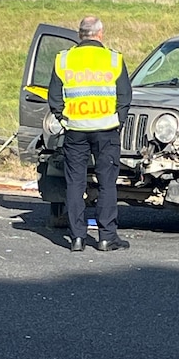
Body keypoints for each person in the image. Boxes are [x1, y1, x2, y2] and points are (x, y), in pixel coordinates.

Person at [48, 15, 132, 252]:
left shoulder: (64, 59)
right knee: (107, 183)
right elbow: (125, 95)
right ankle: (107, 237)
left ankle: (77, 238)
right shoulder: (113, 59)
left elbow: (54, 96)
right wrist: (118, 120)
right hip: (106, 130)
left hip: (75, 130)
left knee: (75, 183)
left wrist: (64, 119)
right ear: (100, 33)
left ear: (79, 34)